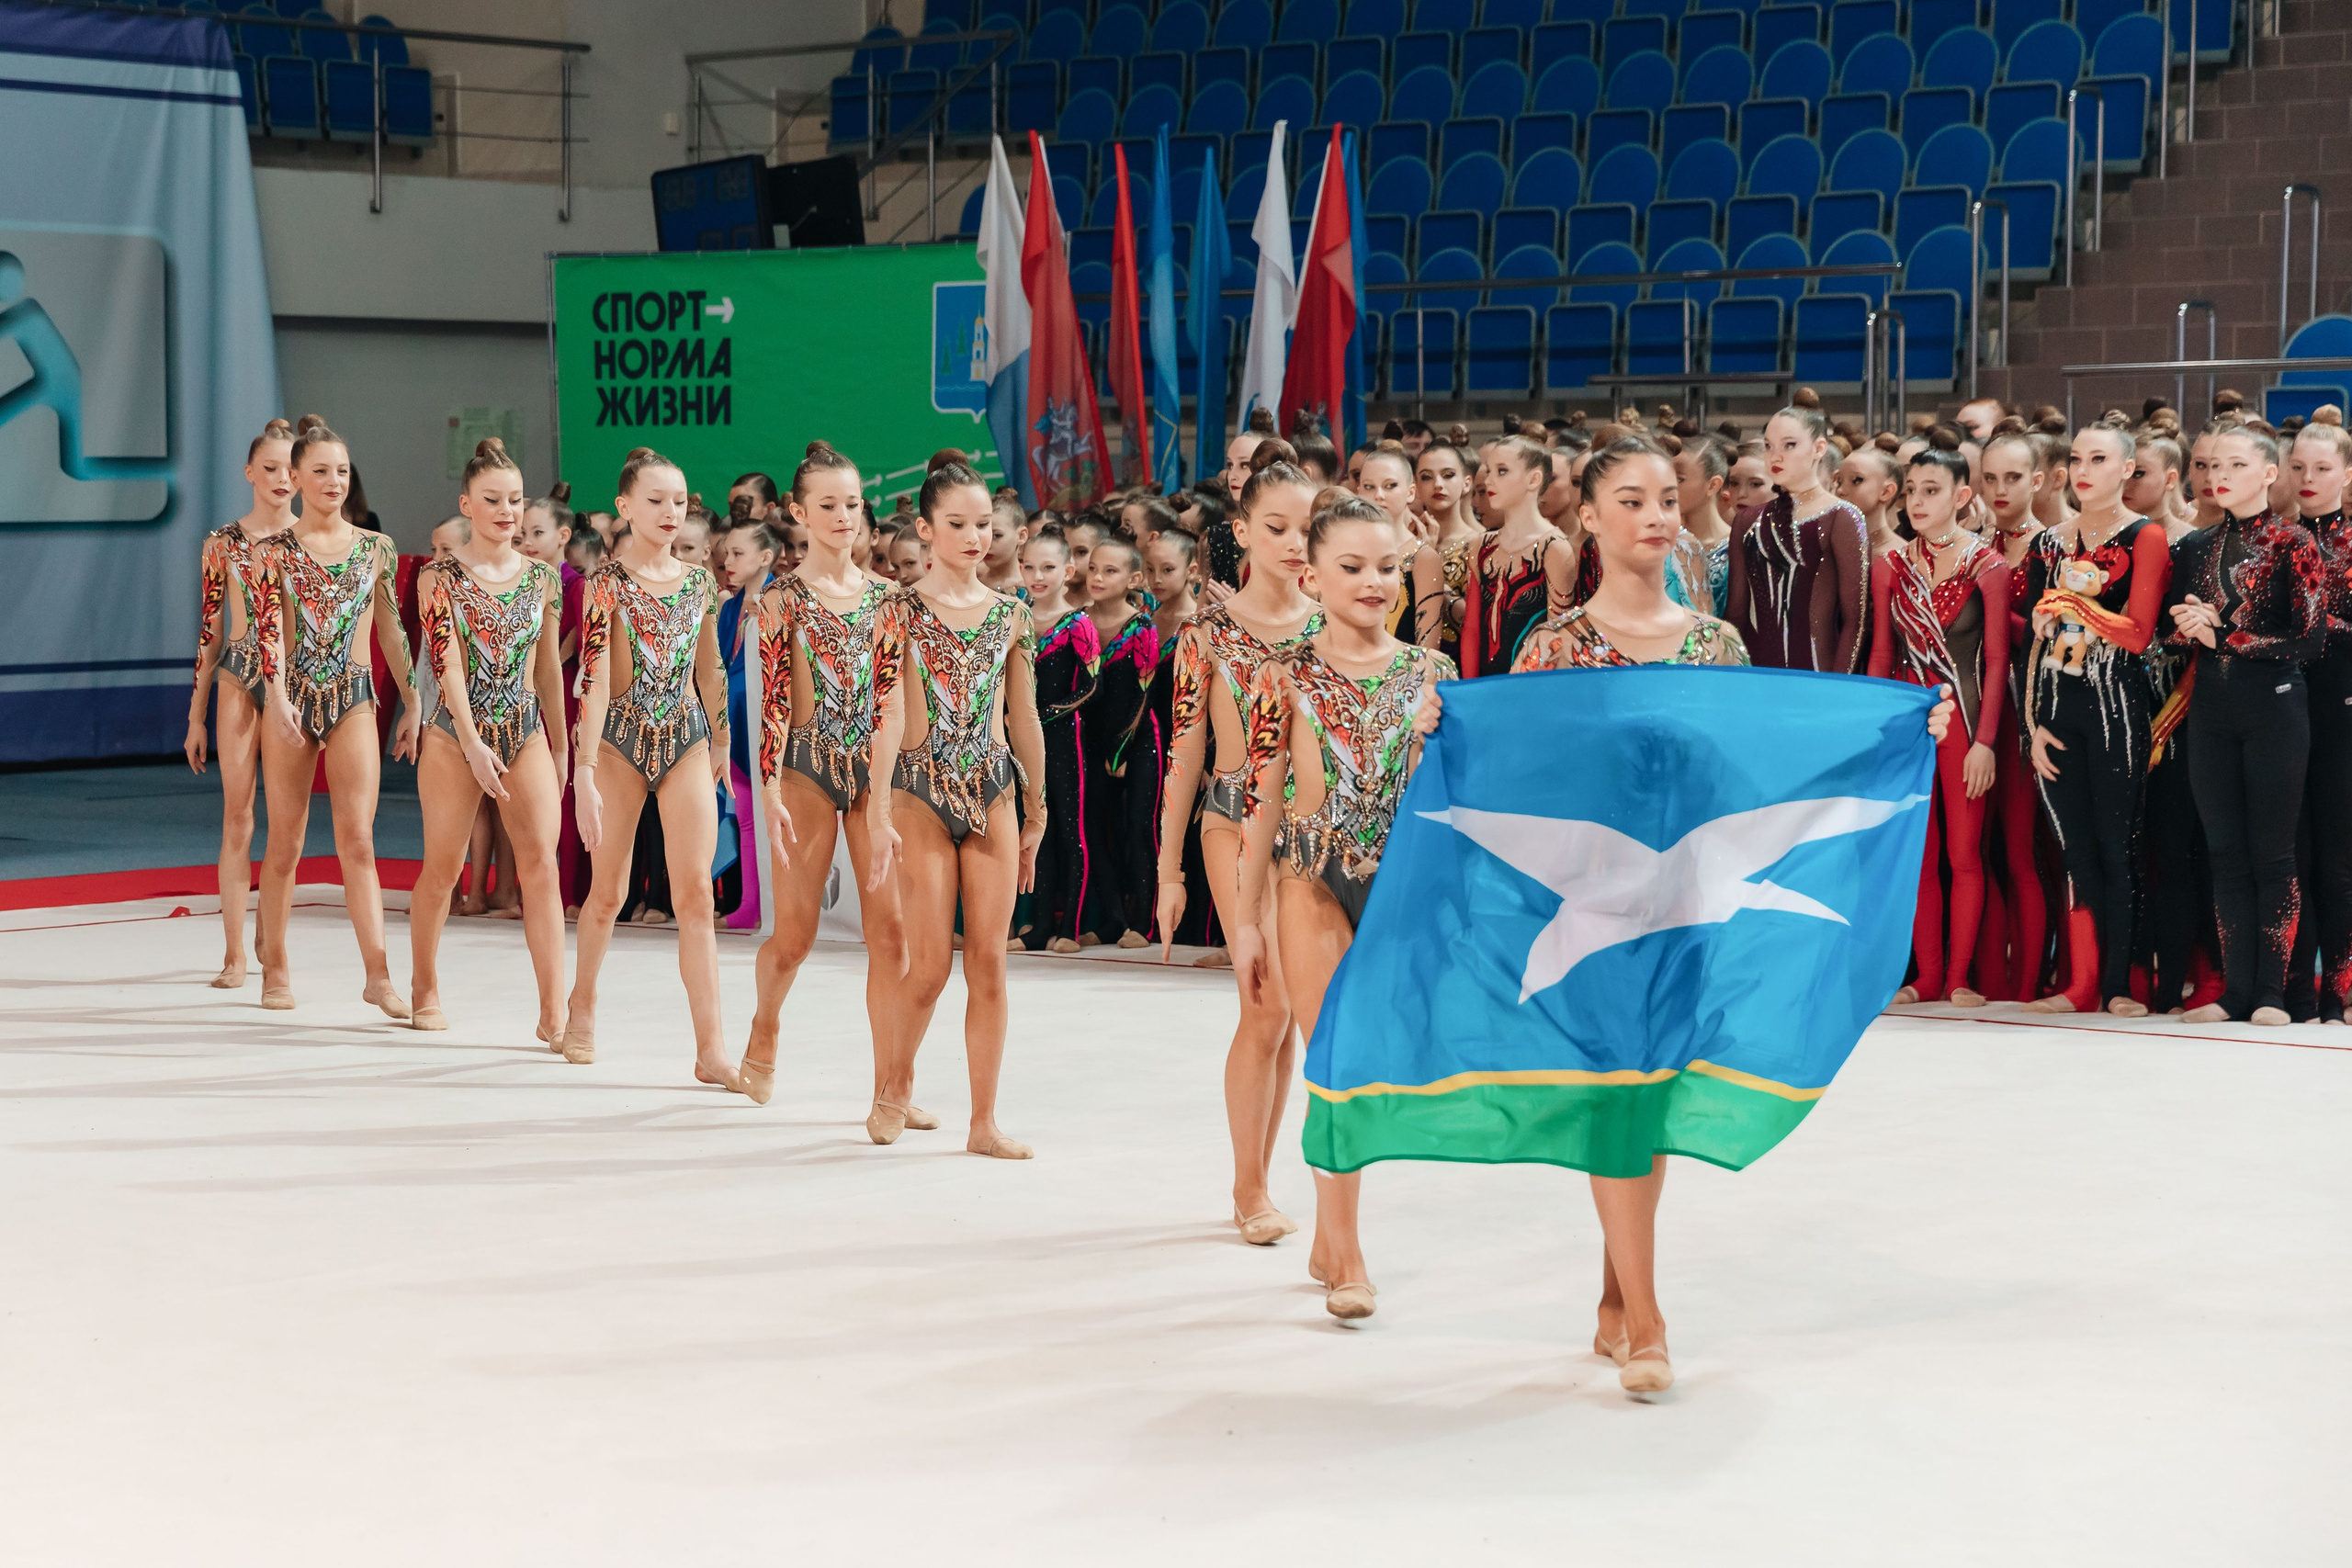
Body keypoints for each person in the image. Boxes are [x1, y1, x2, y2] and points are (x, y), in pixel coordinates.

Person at [1490, 436, 1952, 1392]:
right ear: (1589, 518)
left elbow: (1764, 776)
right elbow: (1516, 774)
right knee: (1616, 1092)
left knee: (1647, 1100)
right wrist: (1440, 731)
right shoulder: (1552, 648)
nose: (1655, 515)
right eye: (1629, 499)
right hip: (1593, 905)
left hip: (1691, 907)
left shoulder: (1717, 648)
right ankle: (1650, 1316)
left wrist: (1900, 733)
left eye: (1666, 497)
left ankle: (1617, 1289)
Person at [1227, 495, 1455, 1323]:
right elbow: (1258, 801)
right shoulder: (1281, 674)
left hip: (1400, 889)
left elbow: (1454, 800)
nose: (1373, 581)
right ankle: (1349, 1250)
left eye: (1388, 567)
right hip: (1309, 879)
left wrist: (1437, 738)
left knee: (1375, 1064)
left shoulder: (1434, 676)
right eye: (1352, 567)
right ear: (1311, 573)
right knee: (1335, 1061)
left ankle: (1330, 1233)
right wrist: (1247, 919)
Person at [1157, 462, 1323, 1244]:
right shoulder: (1208, 634)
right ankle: (1248, 1187)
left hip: (1309, 836)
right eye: (1279, 527)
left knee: (1287, 1016)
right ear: (1244, 533)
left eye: (1307, 526)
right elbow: (1184, 752)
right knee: (1268, 1002)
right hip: (1230, 823)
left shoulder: (1334, 626)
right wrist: (1168, 869)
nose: (1296, 543)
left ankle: (1258, 1178)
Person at [865, 462, 1049, 1158]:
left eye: (985, 525)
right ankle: (893, 1084)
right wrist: (879, 809)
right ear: (925, 529)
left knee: (991, 964)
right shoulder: (900, 610)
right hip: (918, 792)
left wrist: (1037, 809)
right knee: (931, 967)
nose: (977, 536)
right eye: (960, 524)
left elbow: (1024, 716)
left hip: (994, 792)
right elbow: (884, 713)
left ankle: (983, 1121)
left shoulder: (1010, 613)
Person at [738, 441, 910, 1111]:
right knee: (795, 937)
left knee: (890, 934)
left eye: (853, 503)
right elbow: (774, 700)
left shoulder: (891, 599)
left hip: (874, 777)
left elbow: (892, 700)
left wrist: (889, 798)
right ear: (798, 512)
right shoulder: (782, 599)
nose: (845, 516)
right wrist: (772, 790)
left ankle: (889, 1084)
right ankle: (765, 1025)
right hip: (806, 772)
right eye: (829, 505)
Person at [563, 446, 741, 1089]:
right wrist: (584, 770)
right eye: (657, 500)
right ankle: (580, 1007)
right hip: (616, 744)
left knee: (694, 895)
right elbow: (596, 679)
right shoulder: (606, 583)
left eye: (681, 500)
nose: (672, 512)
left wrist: (720, 739)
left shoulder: (698, 583)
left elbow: (709, 666)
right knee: (606, 894)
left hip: (686, 741)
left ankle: (712, 1047)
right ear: (625, 506)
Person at [251, 415, 419, 1015]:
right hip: (291, 699)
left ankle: (378, 975)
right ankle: (275, 966)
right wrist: (275, 695)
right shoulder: (273, 551)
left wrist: (412, 698)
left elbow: (394, 632)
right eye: (319, 471)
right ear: (294, 478)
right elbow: (269, 633)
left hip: (352, 699)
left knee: (360, 840)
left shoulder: (374, 548)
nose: (333, 481)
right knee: (286, 843)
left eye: (341, 471)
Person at [405, 438, 569, 1038]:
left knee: (541, 867)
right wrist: (471, 742)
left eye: (516, 500)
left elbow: (548, 667)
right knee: (444, 870)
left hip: (524, 730)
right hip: (454, 737)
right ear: (466, 504)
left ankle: (555, 1009)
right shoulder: (438, 578)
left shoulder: (543, 578)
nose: (507, 510)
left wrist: (559, 747)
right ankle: (424, 986)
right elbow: (444, 667)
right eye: (493, 499)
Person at [2165, 423, 2325, 1025]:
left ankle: (2274, 992)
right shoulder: (2196, 546)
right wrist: (2188, 626)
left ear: (2268, 473)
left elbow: (2308, 641)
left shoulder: (2294, 543)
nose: (2218, 475)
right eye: (2211, 466)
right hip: (2212, 709)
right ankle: (2236, 990)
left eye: (2235, 464)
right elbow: (2177, 635)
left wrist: (2225, 632)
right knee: (2225, 851)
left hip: (2275, 706)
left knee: (2273, 854)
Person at [2023, 417, 2172, 1016]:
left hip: (2116, 710)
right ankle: (2081, 982)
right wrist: (2031, 726)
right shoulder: (2049, 543)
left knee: (2118, 847)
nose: (2085, 471)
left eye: (2099, 460)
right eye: (2078, 460)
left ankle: (2120, 983)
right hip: (2058, 709)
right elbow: (2034, 644)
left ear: (2127, 469)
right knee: (2075, 850)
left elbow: (2138, 635)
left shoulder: (2147, 538)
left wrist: (2070, 604)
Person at [1871, 449, 2009, 1008]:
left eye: (1931, 490)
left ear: (1961, 495)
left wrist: (1985, 744)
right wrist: (1879, 732)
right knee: (1918, 855)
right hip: (1908, 723)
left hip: (1967, 721)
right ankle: (1927, 976)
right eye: (1910, 490)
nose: (1918, 501)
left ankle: (1957, 977)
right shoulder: (1890, 564)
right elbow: (1882, 653)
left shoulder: (1988, 565)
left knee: (1964, 852)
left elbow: (1998, 660)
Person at [186, 417, 298, 990]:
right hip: (237, 679)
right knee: (238, 816)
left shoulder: (312, 542)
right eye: (270, 468)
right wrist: (194, 715)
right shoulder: (222, 544)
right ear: (249, 472)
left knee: (285, 826)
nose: (281, 478)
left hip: (291, 691)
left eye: (289, 469)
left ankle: (271, 936)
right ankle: (234, 954)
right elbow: (210, 630)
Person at [1726, 400, 1869, 673]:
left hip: (1817, 677)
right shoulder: (1746, 521)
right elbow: (1736, 615)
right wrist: (1734, 679)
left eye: (1789, 445)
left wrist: (1839, 687)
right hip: (1754, 675)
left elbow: (1855, 621)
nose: (1775, 456)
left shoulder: (1843, 517)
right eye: (1768, 446)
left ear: (1819, 449)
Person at [2289, 412, 2352, 1021]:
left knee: (2336, 858)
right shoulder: (2278, 540)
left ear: (2347, 474)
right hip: (2281, 712)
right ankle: (2298, 991)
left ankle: (2341, 986)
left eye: (2323, 468)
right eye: (2299, 467)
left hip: (2341, 713)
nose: (2308, 477)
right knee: (2291, 854)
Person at [1017, 529, 1101, 952]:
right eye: (1029, 566)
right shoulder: (1015, 616)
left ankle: (1071, 926)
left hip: (1066, 741)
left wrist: (1039, 715)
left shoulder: (1078, 624)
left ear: (1068, 572)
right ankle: (1034, 926)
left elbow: (1090, 686)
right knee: (1033, 832)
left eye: (1047, 567)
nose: (1037, 575)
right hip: (1023, 742)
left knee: (1071, 831)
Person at [1078, 535, 1161, 948]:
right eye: (1093, 568)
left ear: (1133, 579)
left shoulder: (1142, 627)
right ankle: (1111, 916)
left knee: (1139, 827)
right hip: (1091, 740)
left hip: (1138, 738)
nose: (1097, 577)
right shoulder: (1078, 621)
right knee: (1090, 828)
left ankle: (1144, 922)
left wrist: (1124, 749)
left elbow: (1143, 693)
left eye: (1109, 571)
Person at [1451, 434, 1584, 677]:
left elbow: (1556, 636)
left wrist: (1519, 685)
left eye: (1501, 471)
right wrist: (1470, 685)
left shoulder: (1554, 548)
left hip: (1531, 686)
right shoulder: (1481, 545)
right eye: (1488, 471)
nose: (1489, 480)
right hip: (1483, 685)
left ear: (1534, 479)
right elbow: (1470, 629)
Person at [716, 518, 783, 932]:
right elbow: (719, 668)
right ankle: (750, 904)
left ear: (765, 557)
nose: (727, 561)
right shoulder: (729, 607)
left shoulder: (783, 601)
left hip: (770, 729)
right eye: (725, 553)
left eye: (738, 554)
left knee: (771, 818)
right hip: (734, 727)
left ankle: (775, 905)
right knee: (745, 817)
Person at [1836, 442, 1904, 558]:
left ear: (1886, 491)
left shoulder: (1901, 556)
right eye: (1839, 481)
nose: (1841, 490)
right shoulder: (1831, 549)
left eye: (1857, 480)